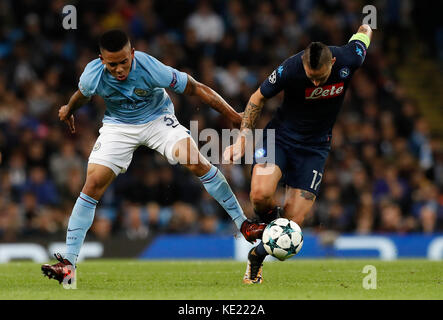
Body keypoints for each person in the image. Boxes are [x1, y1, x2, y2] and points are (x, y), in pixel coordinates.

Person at [41, 29, 265, 284]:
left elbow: (195, 88)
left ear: (132, 53)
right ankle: (68, 265)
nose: (119, 69)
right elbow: (82, 94)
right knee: (92, 184)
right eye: (112, 64)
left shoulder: (150, 67)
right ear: (102, 60)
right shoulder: (92, 75)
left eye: (124, 61)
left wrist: (234, 116)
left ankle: (244, 225)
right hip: (119, 126)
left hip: (158, 119)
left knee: (195, 161)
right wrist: (69, 108)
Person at [224, 25, 373, 284]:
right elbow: (257, 98)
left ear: (333, 63)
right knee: (260, 194)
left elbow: (363, 35)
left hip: (314, 148)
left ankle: (257, 256)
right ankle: (270, 225)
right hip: (280, 138)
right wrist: (241, 140)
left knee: (293, 224)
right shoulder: (290, 68)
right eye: (311, 77)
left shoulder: (350, 57)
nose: (315, 83)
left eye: (321, 77)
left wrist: (366, 27)